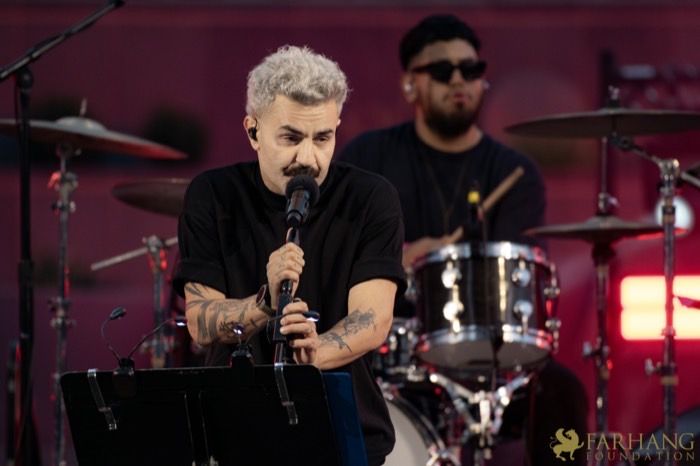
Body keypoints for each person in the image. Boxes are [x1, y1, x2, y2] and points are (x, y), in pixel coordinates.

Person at [340, 14, 588, 466]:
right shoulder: (368, 159)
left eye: (470, 70)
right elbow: (335, 253)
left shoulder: (514, 173)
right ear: (410, 84)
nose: (459, 80)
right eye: (442, 70)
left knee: (561, 390)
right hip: (386, 347)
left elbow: (517, 277)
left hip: (489, 349)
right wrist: (398, 260)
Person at [173, 45, 406, 466]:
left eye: (323, 138)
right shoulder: (213, 196)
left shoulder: (371, 199)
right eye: (291, 138)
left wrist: (316, 353)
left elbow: (373, 319)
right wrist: (264, 304)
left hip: (341, 429)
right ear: (253, 131)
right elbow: (200, 321)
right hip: (235, 431)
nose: (308, 159)